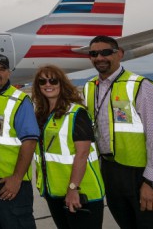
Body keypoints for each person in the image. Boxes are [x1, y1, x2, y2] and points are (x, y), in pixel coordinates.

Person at [84, 35, 153, 228]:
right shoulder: (89, 87)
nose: (99, 57)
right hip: (111, 171)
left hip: (141, 173)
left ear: (119, 54)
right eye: (94, 53)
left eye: (106, 52)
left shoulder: (140, 85)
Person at [33, 65, 105, 229]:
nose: (48, 84)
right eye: (42, 81)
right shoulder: (41, 115)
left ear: (62, 83)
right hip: (55, 192)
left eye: (53, 80)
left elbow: (83, 153)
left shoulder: (76, 113)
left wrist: (73, 189)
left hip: (81, 192)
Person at [0, 54, 39, 229]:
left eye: (2, 69)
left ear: (9, 73)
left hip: (10, 183)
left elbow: (30, 142)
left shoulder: (19, 101)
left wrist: (17, 178)